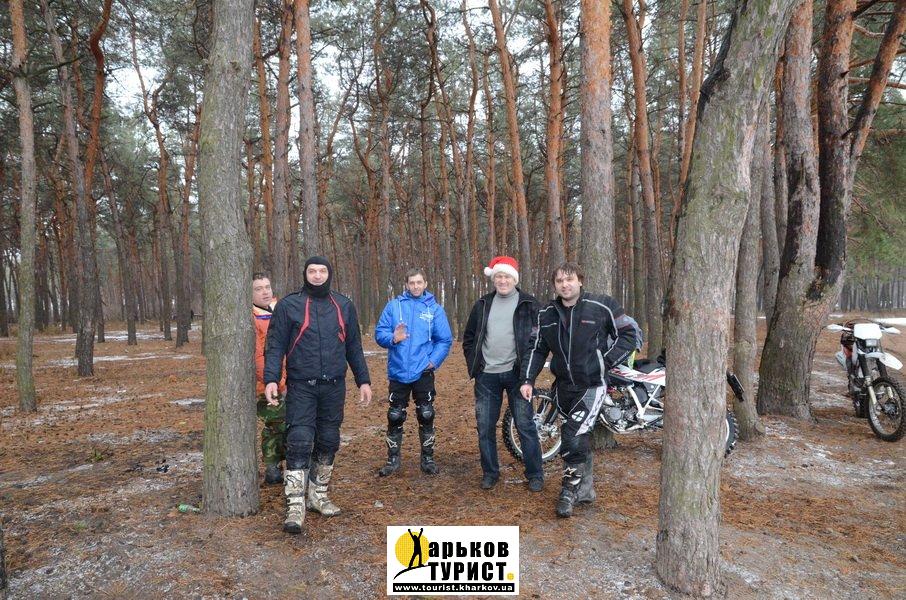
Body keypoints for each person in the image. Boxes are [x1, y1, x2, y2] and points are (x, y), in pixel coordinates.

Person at [521, 262, 641, 518]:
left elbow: (629, 334)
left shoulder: (601, 305)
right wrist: (528, 379)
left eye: (570, 279)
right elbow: (536, 348)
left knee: (572, 436)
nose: (565, 285)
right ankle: (585, 491)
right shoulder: (546, 314)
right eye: (559, 281)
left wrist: (605, 362)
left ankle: (569, 492)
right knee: (577, 438)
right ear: (554, 285)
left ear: (580, 281)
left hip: (592, 385)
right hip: (563, 386)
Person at [263, 256, 373, 534]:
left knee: (329, 439)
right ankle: (295, 505)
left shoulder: (343, 305)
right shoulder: (289, 305)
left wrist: (363, 380)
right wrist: (271, 379)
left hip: (334, 386)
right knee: (299, 440)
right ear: (305, 274)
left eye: (322, 271)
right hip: (302, 385)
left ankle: (318, 495)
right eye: (312, 271)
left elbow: (354, 346)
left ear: (329, 274)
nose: (317, 275)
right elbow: (275, 346)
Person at [462, 256, 544, 492]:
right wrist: (476, 364)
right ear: (494, 279)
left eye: (507, 276)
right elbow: (469, 338)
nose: (502, 280)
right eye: (498, 276)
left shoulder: (529, 304)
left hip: (518, 375)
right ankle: (490, 473)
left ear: (514, 279)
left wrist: (528, 374)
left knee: (525, 425)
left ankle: (535, 474)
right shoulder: (482, 304)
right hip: (486, 376)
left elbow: (537, 342)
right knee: (485, 427)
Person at [374, 268, 453, 476]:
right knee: (395, 415)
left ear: (425, 283)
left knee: (426, 414)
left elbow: (444, 340)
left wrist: (433, 361)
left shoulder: (434, 309)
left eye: (419, 282)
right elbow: (379, 333)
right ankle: (392, 460)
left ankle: (427, 459)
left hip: (423, 371)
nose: (416, 286)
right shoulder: (394, 306)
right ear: (406, 284)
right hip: (398, 370)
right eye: (412, 283)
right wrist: (393, 338)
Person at [252, 273, 287, 485]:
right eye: (258, 289)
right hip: (267, 384)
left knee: (290, 423)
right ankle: (272, 468)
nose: (265, 292)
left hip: (289, 379)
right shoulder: (252, 318)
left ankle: (289, 465)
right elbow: (257, 356)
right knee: (275, 424)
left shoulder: (280, 310)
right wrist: (273, 381)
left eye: (267, 287)